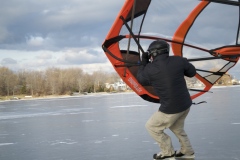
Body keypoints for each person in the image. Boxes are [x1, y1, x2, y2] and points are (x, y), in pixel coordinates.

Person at [137, 40, 196, 160]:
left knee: (152, 127)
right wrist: (183, 63)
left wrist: (144, 62)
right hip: (185, 104)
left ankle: (167, 153)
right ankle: (187, 152)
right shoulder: (179, 60)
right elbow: (192, 72)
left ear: (153, 53)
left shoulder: (150, 69)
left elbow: (140, 79)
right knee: (177, 128)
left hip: (171, 109)